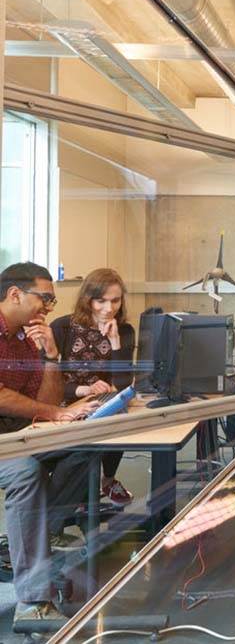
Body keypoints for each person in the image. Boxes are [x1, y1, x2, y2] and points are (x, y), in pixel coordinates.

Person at [0, 262, 100, 622]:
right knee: (25, 471)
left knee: (85, 448)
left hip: (17, 433)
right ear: (15, 294)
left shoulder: (26, 339)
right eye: (45, 299)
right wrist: (52, 413)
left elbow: (48, 402)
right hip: (7, 443)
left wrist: (52, 357)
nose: (48, 308)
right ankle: (32, 601)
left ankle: (38, 538)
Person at [51, 268, 136, 507]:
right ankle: (79, 494)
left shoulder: (125, 331)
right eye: (101, 301)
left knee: (117, 418)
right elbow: (43, 382)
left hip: (102, 404)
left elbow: (122, 386)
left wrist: (116, 343)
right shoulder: (61, 327)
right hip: (66, 403)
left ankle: (107, 479)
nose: (109, 309)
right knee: (87, 442)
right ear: (88, 299)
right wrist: (82, 389)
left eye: (115, 300)